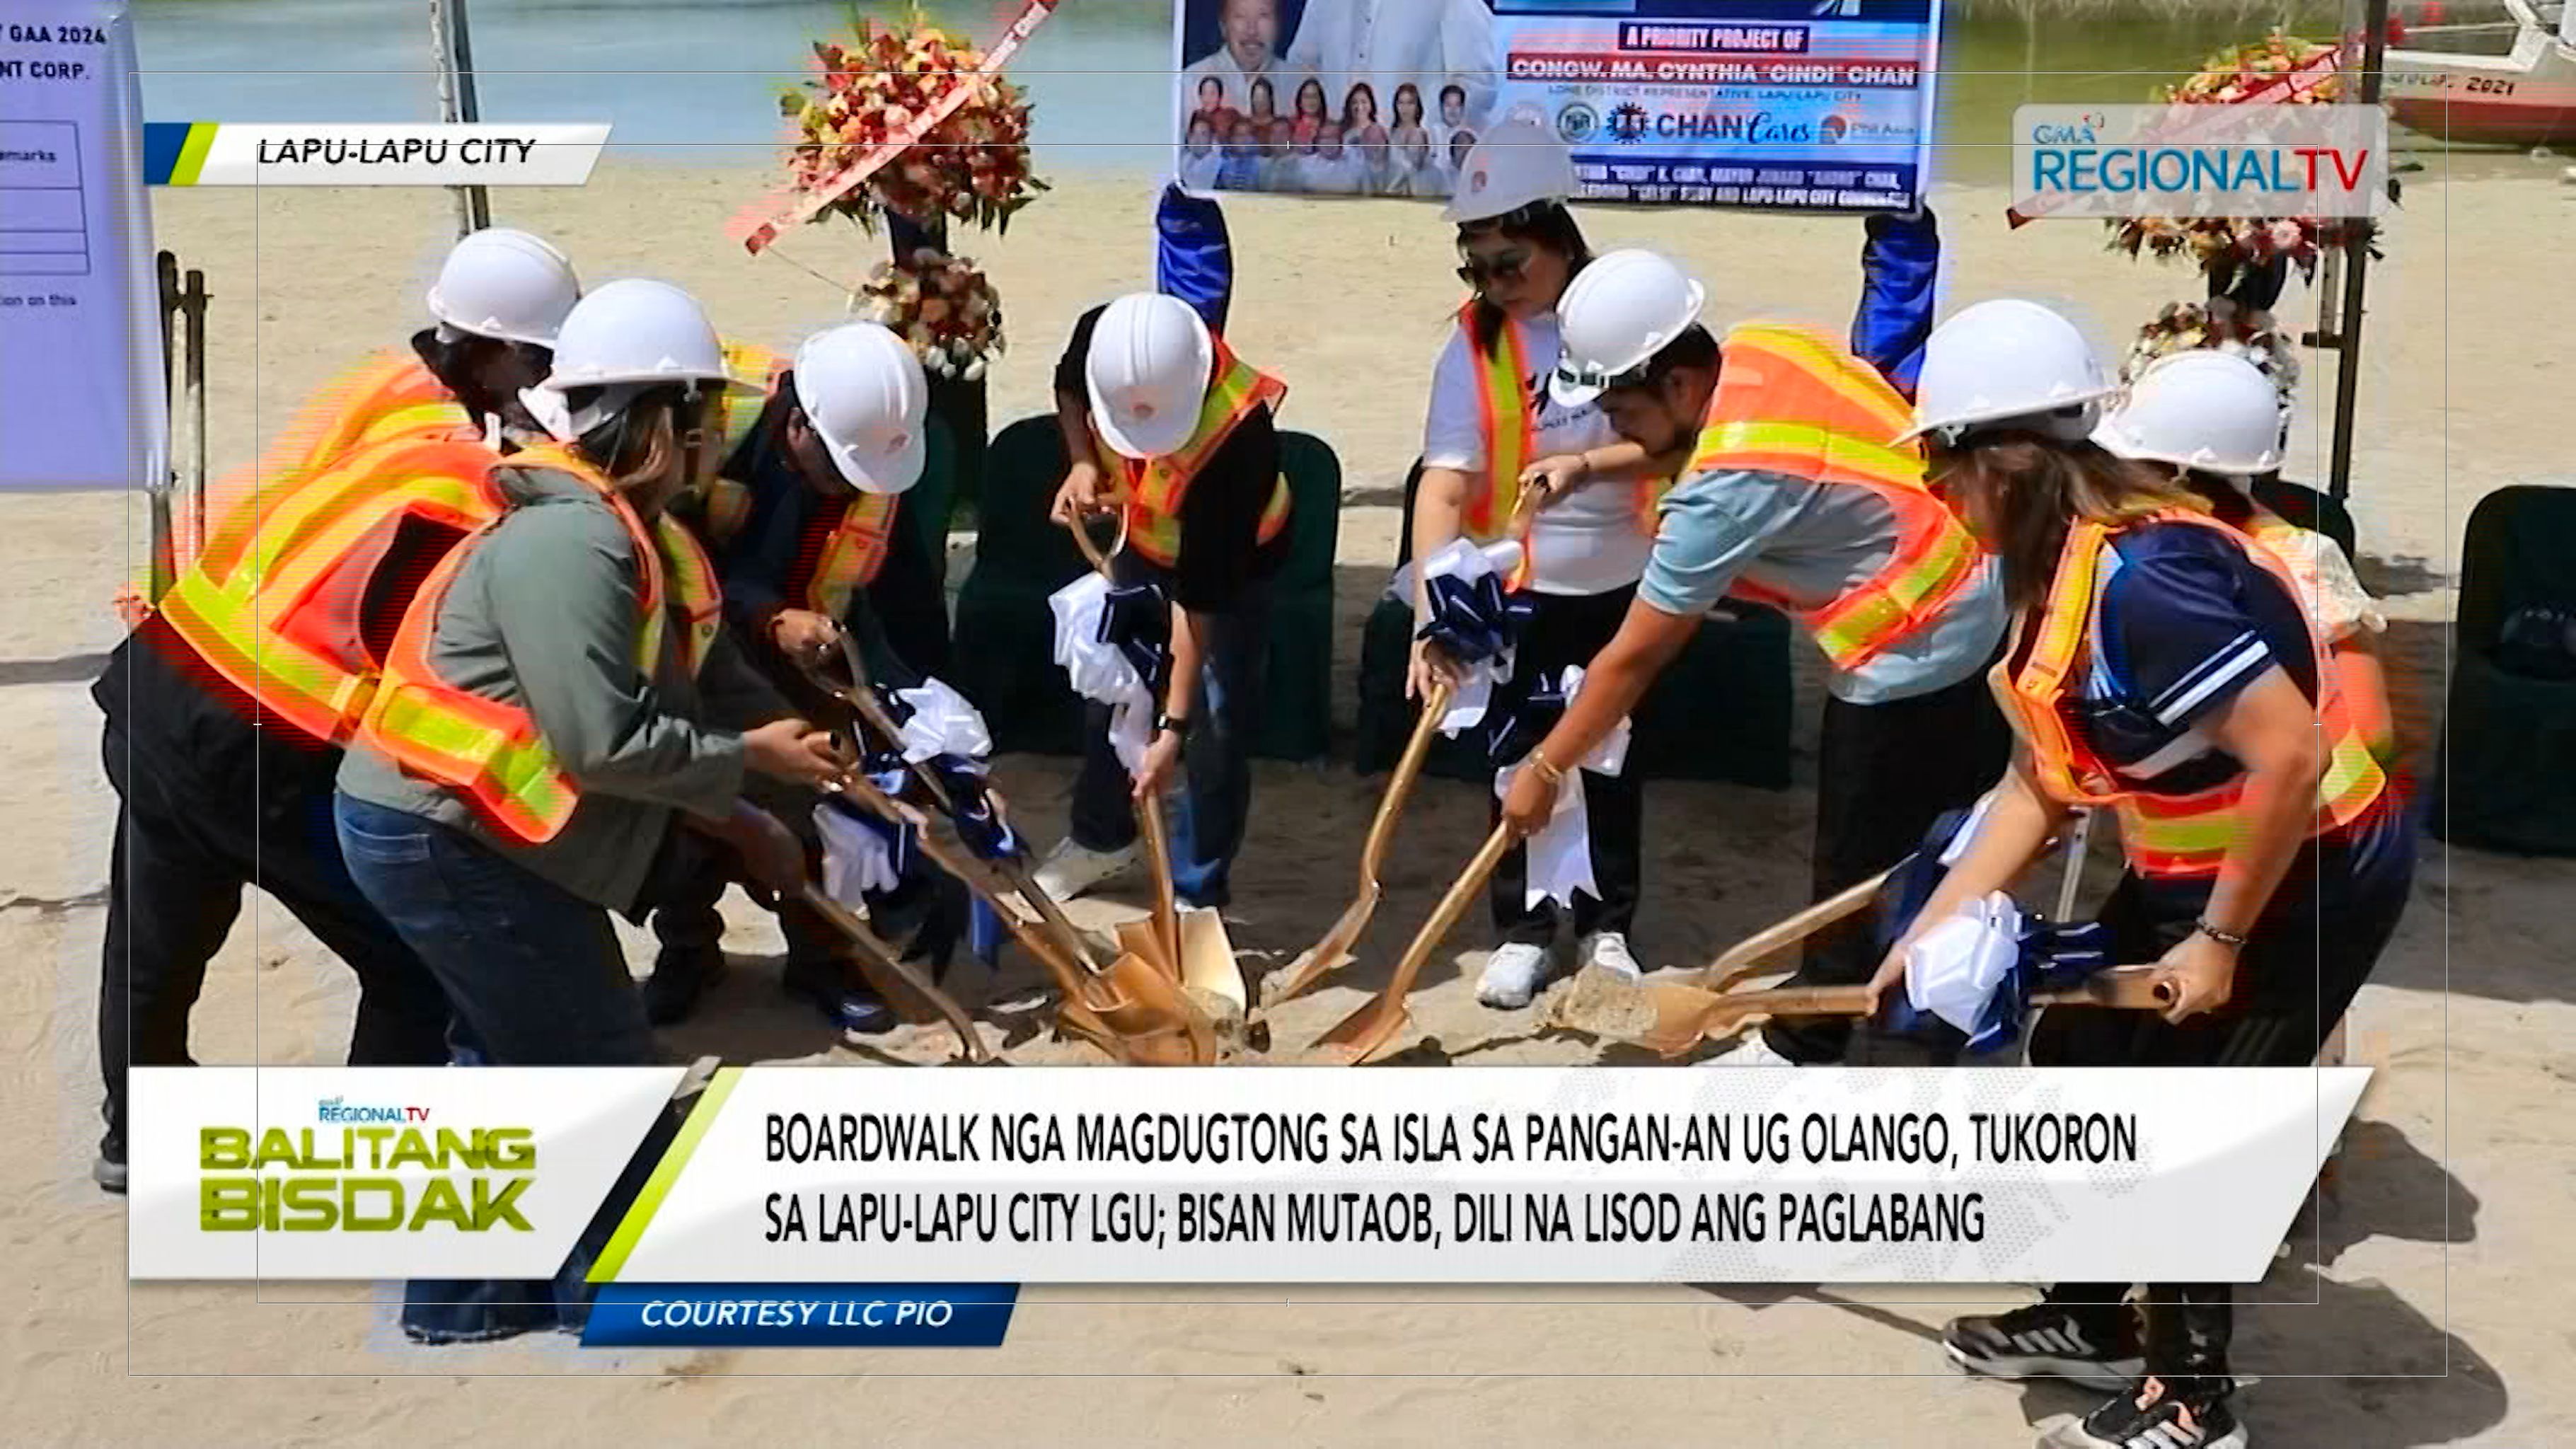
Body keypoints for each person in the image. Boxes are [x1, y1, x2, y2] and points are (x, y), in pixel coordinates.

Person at [1869, 297, 2413, 1449]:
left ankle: (2194, 1402)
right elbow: (2038, 784)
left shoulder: (2147, 585)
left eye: (1939, 462)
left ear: (2007, 463)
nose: (1930, 488)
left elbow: (2293, 750)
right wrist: (1935, 930)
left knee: (2185, 1119)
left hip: (2311, 871)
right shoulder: (2044, 568)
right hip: (2186, 863)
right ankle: (2095, 1320)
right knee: (2076, 1048)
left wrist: (2216, 942)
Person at [335, 278, 845, 1343]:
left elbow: (687, 680)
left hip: (461, 825)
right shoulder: (580, 542)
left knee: (508, 1057)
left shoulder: (626, 529)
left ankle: (472, 1302)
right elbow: (601, 740)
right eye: (702, 417)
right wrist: (746, 764)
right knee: (598, 1060)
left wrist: (760, 794)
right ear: (656, 423)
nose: (716, 439)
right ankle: (619, 1295)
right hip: (448, 832)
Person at [86, 227, 582, 1195]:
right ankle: (372, 1164)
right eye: (538, 359)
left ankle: (133, 1136)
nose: (547, 382)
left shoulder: (375, 385)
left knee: (153, 937)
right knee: (412, 958)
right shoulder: (472, 450)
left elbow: (273, 504)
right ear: (483, 350)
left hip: (166, 673)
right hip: (261, 730)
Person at [1495, 248, 2012, 1063]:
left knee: (1857, 854)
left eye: (1619, 412)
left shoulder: (1726, 488)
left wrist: (1545, 768)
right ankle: (1934, 982)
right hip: (1970, 572)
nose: (1613, 427)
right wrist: (1593, 464)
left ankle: (1809, 1042)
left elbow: (1631, 659)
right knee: (1943, 835)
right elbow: (1697, 443)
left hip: (1912, 633)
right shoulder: (1765, 348)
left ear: (1673, 383)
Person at [1408, 125, 1671, 1007]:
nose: (1493, 284)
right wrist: (1429, 616)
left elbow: (1672, 439)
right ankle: (1521, 928)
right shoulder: (1472, 348)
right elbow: (1443, 485)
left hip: (1622, 578)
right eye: (1474, 267)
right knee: (1512, 758)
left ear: (1557, 239)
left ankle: (1605, 927)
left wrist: (1591, 467)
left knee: (1608, 754)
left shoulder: (1625, 314)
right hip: (1517, 591)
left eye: (1508, 263)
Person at [642, 321, 953, 1029]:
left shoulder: (882, 452)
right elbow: (659, 549)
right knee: (686, 813)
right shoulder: (709, 425)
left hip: (810, 655)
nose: (850, 487)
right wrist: (766, 615)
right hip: (689, 642)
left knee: (819, 810)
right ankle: (688, 948)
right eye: (838, 471)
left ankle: (820, 958)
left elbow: (908, 595)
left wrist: (929, 728)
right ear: (799, 426)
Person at [1030, 293, 1291, 913]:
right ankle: (1101, 836)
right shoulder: (1103, 339)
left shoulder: (1239, 442)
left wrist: (1171, 729)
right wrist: (1083, 462)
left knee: (1212, 720)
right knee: (1113, 687)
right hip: (1139, 541)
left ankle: (1195, 888)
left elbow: (1196, 608)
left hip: (1231, 565)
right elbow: (1068, 390)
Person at [2093, 348, 2396, 761]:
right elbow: (2372, 731)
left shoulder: (2112, 551)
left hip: (2245, 807)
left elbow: (2367, 728)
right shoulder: (2300, 556)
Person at [1285, 0, 1498, 138]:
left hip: (1416, 174)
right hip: (1336, 171)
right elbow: (1300, 69)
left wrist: (1420, 139)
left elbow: (1476, 85)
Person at [1182, 0, 1286, 105]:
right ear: (1223, 25)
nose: (1252, 31)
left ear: (1278, 24)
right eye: (1240, 16)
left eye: (1263, 16)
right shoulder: (1189, 81)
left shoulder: (1297, 81)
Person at [1297, 121, 1370, 194]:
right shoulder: (1305, 165)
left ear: (1341, 142)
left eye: (1334, 138)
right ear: (1317, 142)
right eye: (1324, 138)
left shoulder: (1356, 162)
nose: (1329, 143)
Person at [1181, 113, 1225, 192]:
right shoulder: (1183, 160)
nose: (1197, 139)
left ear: (1212, 138)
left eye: (1203, 134)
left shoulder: (1221, 165)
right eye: (1194, 133)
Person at [1342, 81, 1389, 151]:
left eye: (1364, 102)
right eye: (1354, 103)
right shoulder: (1342, 131)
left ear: (1371, 105)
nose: (1359, 107)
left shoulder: (1379, 131)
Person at [1290, 76, 1330, 150]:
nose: (1310, 101)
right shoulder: (1290, 125)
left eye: (1314, 97)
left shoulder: (1330, 127)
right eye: (1307, 97)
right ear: (1300, 101)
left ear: (1321, 101)